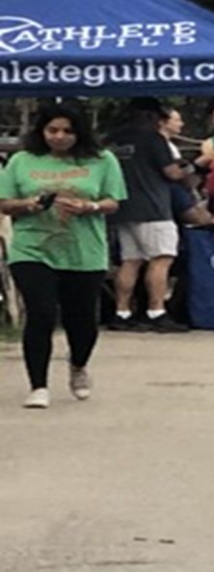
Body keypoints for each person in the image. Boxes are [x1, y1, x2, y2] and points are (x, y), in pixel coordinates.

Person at [1, 105, 126, 408]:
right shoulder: (21, 161)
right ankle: (38, 385)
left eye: (67, 131)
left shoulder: (102, 160)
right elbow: (4, 203)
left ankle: (78, 365)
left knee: (81, 319)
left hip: (84, 250)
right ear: (41, 131)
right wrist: (29, 204)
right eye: (52, 130)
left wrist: (89, 207)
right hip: (32, 248)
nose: (59, 137)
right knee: (41, 312)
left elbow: (114, 201)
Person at [105, 98, 191, 333]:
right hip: (153, 208)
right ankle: (156, 311)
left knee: (130, 261)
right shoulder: (153, 138)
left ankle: (121, 312)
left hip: (122, 207)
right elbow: (172, 172)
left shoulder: (112, 139)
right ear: (153, 116)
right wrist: (190, 167)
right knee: (161, 259)